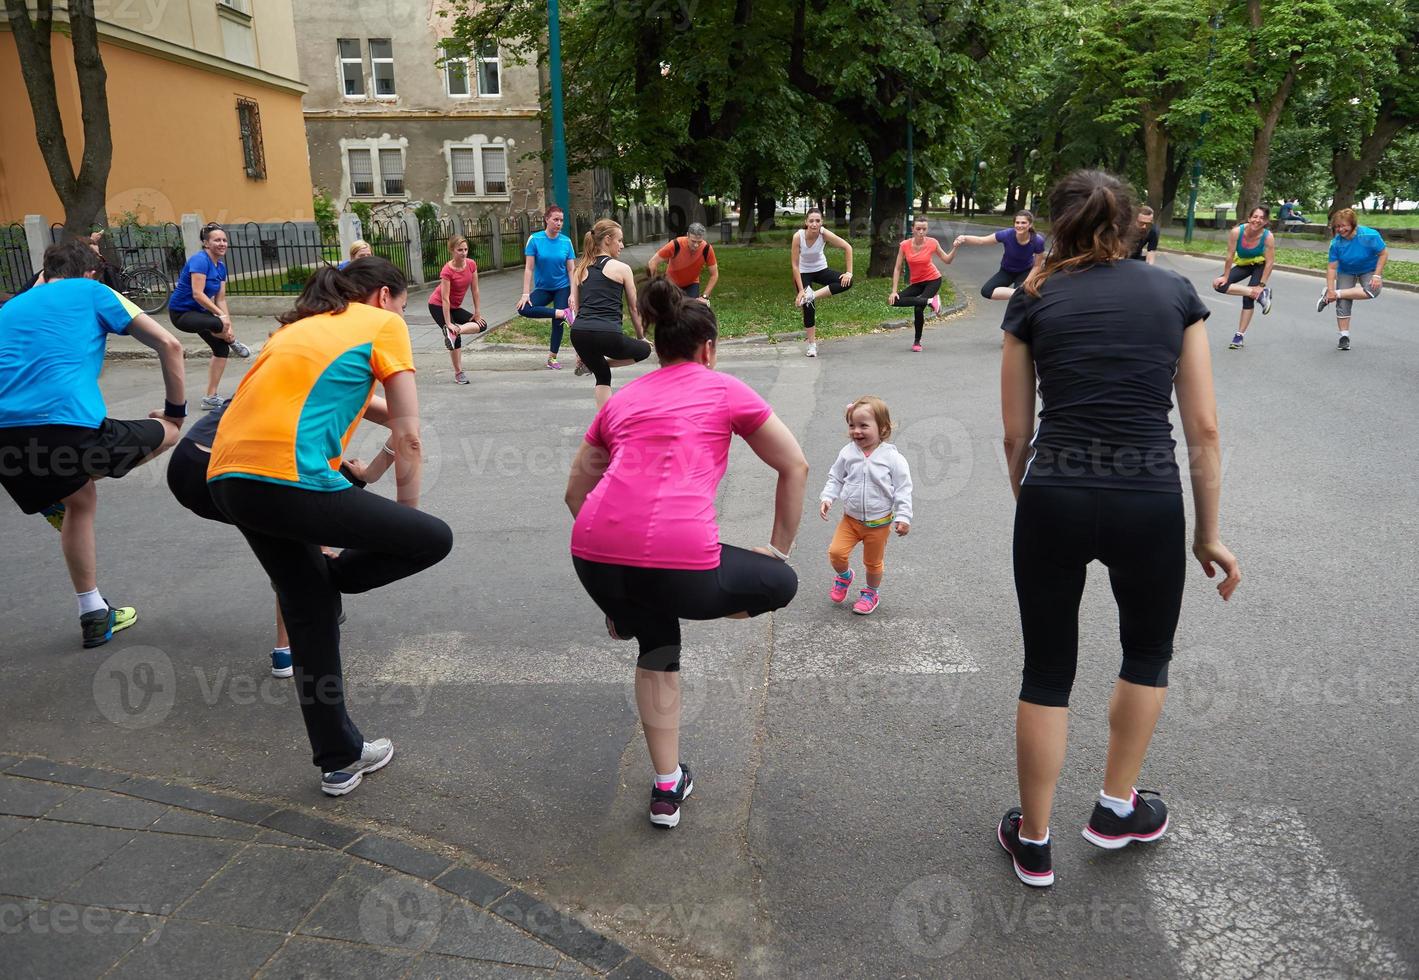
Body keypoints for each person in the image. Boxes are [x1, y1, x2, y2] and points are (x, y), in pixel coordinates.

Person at [997, 169, 1241, 888]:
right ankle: (1114, 807)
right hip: (1147, 501)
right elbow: (1202, 427)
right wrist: (1208, 533)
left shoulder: (1032, 297)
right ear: (1134, 222)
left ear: (1057, 223)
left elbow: (1015, 435)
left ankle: (1033, 842)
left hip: (1054, 496)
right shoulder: (1172, 294)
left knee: (1045, 669)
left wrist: (1033, 502)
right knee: (1146, 653)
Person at [565, 277, 806, 828]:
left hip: (595, 558)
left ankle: (667, 787)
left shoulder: (621, 400)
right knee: (780, 583)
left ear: (657, 344)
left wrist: (614, 581)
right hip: (679, 565)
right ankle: (650, 597)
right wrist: (776, 550)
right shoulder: (723, 388)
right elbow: (794, 466)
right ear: (709, 349)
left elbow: (574, 494)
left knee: (656, 641)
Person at [207, 257, 453, 796]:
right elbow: (410, 434)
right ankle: (334, 576)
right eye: (404, 305)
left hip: (228, 477)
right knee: (433, 538)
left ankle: (339, 759)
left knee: (309, 612)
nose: (402, 316)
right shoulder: (382, 324)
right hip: (291, 477)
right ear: (384, 296)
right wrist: (404, 518)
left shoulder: (296, 330)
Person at [0, 240, 187, 647]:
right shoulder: (94, 291)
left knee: (79, 501)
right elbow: (169, 344)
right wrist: (175, 411)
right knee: (170, 433)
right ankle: (63, 483)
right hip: (67, 432)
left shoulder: (10, 307)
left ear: (46, 272)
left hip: (5, 439)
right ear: (90, 272)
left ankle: (94, 614)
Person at [166, 389, 388, 678]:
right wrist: (370, 474)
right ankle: (293, 639)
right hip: (244, 473)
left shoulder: (277, 364)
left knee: (287, 527)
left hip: (188, 466)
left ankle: (294, 632)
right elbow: (407, 424)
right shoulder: (342, 375)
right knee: (296, 519)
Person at [819, 396, 912, 615]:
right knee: (836, 553)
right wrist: (827, 497)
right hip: (850, 520)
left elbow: (903, 488)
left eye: (863, 426)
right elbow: (836, 477)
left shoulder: (893, 458)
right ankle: (844, 577)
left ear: (883, 428)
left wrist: (904, 516)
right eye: (852, 425)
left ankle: (871, 593)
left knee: (873, 563)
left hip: (878, 524)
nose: (856, 431)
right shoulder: (847, 452)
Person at [568, 219, 651, 408]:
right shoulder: (622, 269)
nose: (621, 245)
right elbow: (634, 308)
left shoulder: (580, 270)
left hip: (579, 333)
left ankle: (602, 428)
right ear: (607, 240)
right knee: (644, 350)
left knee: (602, 375)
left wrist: (580, 352)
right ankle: (597, 363)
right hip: (608, 334)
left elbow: (578, 310)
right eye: (619, 240)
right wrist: (641, 337)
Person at [169, 223, 251, 410]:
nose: (222, 243)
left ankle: (210, 397)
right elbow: (198, 294)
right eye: (217, 240)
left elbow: (220, 299)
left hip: (200, 313)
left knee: (221, 348)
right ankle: (232, 341)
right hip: (182, 313)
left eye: (224, 240)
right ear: (206, 243)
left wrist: (228, 324)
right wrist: (221, 319)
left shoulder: (220, 267)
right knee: (217, 322)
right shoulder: (200, 260)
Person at [1317, 208, 1386, 351]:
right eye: (1337, 226)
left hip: (1368, 269)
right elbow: (1331, 268)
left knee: (1373, 290)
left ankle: (1334, 295)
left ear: (1353, 224)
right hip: (1346, 270)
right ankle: (1344, 337)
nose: (1340, 229)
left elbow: (1383, 254)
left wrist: (1377, 275)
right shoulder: (1336, 243)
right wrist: (1330, 288)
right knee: (1343, 302)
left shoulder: (1369, 235)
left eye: (1344, 226)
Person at [518, 206, 577, 370]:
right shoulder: (535, 239)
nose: (559, 223)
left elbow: (572, 269)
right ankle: (562, 313)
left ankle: (552, 358)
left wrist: (572, 294)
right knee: (524, 308)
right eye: (555, 219)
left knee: (557, 323)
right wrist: (525, 294)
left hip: (562, 287)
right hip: (543, 288)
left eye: (561, 220)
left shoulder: (566, 241)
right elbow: (529, 268)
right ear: (546, 219)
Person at [791, 208, 854, 357]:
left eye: (817, 221)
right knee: (808, 307)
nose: (814, 224)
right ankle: (812, 345)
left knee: (847, 282)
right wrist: (801, 290)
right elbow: (795, 265)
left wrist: (849, 272)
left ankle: (812, 295)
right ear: (806, 222)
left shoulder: (824, 234)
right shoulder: (798, 237)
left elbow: (847, 247)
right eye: (811, 221)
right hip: (803, 272)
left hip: (821, 269)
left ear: (821, 222)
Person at [1211, 206, 1275, 349]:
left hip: (1260, 265)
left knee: (1247, 298)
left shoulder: (1268, 237)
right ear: (1249, 218)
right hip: (1244, 264)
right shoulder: (1236, 232)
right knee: (1219, 285)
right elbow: (1229, 256)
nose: (1257, 220)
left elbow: (1270, 262)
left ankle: (1239, 336)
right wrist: (1226, 277)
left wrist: (1261, 286)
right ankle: (1259, 295)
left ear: (1265, 222)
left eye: (1261, 218)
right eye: (1255, 217)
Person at [888, 217, 955, 351]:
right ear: (912, 229)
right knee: (894, 301)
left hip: (933, 280)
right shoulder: (905, 245)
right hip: (917, 282)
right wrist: (894, 291)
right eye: (918, 229)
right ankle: (931, 301)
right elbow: (897, 268)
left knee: (918, 308)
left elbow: (947, 260)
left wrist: (955, 247)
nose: (921, 232)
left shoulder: (932, 242)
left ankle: (917, 342)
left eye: (924, 229)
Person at [430, 234, 489, 384]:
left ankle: (455, 331)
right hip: (438, 305)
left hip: (455, 306)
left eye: (465, 249)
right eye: (460, 250)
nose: (463, 253)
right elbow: (445, 298)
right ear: (452, 250)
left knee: (481, 325)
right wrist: (448, 323)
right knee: (455, 339)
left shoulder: (471, 265)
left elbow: (475, 290)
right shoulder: (447, 271)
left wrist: (477, 313)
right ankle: (459, 373)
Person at [953, 211, 1046, 301]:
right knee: (986, 291)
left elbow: (1037, 266)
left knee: (1020, 302)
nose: (1020, 225)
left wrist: (1026, 283)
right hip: (1006, 271)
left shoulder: (1037, 241)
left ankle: (1022, 295)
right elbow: (982, 240)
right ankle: (1019, 293)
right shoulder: (1007, 234)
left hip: (1025, 272)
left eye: (1023, 223)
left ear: (1030, 224)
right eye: (1017, 222)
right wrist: (964, 238)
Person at [647, 222, 719, 301]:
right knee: (671, 310)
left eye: (699, 242)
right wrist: (656, 285)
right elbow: (652, 262)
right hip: (671, 284)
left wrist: (705, 296)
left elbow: (714, 274)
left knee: (691, 310)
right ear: (687, 236)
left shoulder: (707, 249)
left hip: (692, 284)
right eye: (693, 241)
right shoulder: (675, 244)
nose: (696, 245)